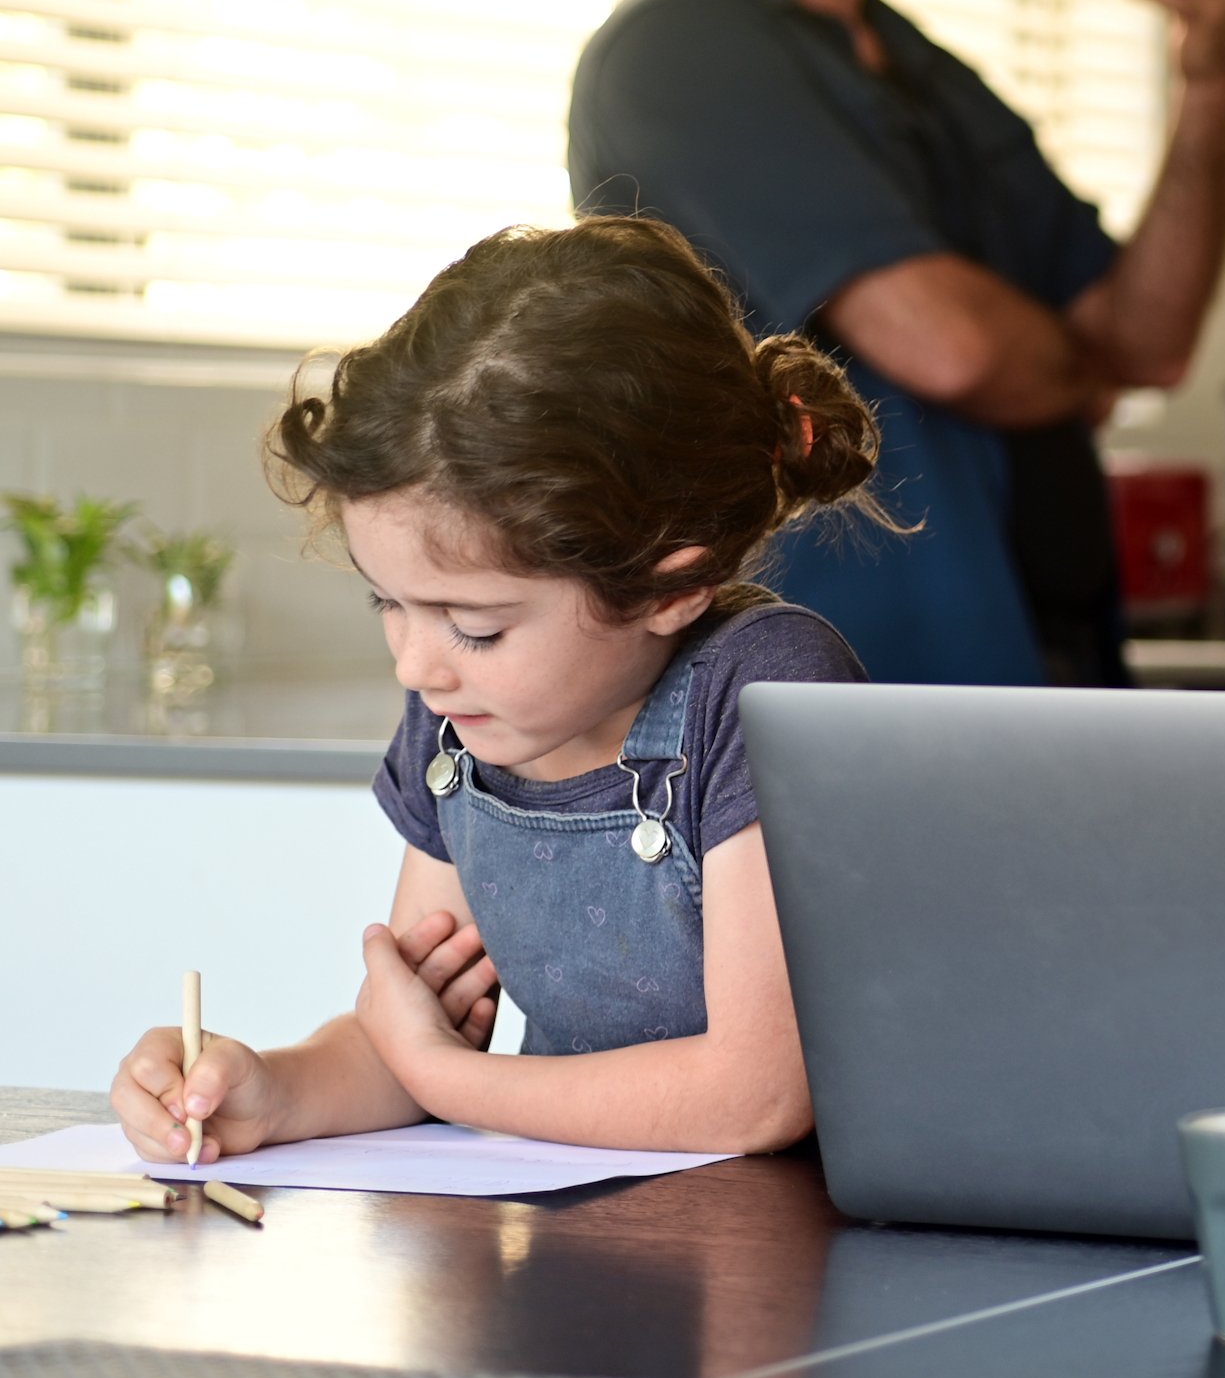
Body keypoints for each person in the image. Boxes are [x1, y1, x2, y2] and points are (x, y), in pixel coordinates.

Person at [107, 217, 881, 1159]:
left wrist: (447, 1077)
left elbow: (754, 1097)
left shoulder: (763, 692)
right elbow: (414, 1038)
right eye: (387, 604)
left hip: (783, 1256)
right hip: (581, 1246)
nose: (415, 665)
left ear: (674, 584)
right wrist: (271, 1092)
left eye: (475, 625)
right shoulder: (462, 714)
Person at [568, 0, 1225, 687]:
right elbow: (953, 347)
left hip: (1044, 669)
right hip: (848, 699)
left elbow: (1147, 338)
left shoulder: (924, 71)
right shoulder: (680, 53)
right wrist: (1076, 367)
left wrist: (1207, 82)